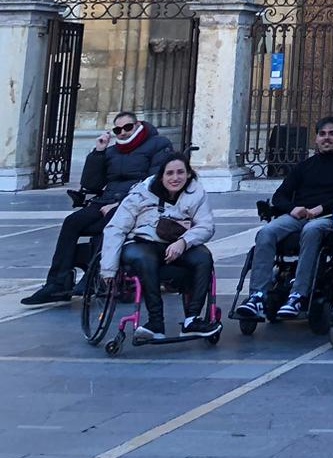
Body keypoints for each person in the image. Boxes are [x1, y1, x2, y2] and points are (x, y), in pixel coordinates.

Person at [22, 111, 175, 305]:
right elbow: (92, 184)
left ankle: (96, 276)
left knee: (112, 220)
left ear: (137, 126)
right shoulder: (111, 151)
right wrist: (98, 153)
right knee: (72, 222)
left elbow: (155, 181)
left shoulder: (158, 145)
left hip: (137, 204)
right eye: (118, 129)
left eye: (128, 127)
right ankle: (57, 282)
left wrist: (121, 203)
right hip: (105, 201)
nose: (123, 133)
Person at [236, 115, 333, 321]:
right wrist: (293, 208)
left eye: (332, 134)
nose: (327, 138)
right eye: (322, 134)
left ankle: (298, 294)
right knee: (266, 232)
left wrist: (321, 208)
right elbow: (279, 196)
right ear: (316, 139)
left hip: (330, 217)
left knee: (311, 230)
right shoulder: (304, 166)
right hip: (299, 215)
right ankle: (258, 295)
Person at [97, 154, 218, 339]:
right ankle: (155, 322)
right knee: (145, 258)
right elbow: (116, 229)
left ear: (188, 174)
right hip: (140, 242)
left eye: (180, 172)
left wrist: (184, 242)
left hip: (176, 243)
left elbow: (206, 226)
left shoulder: (196, 193)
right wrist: (108, 270)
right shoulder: (141, 193)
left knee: (203, 257)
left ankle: (192, 319)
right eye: (169, 173)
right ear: (161, 176)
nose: (175, 178)